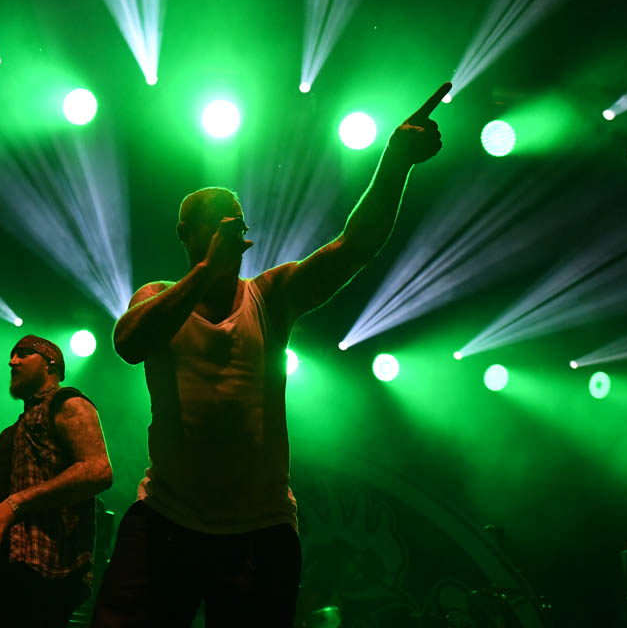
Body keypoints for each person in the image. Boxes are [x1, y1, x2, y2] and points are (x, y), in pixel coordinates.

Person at [91, 83, 451, 627]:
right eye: (219, 223)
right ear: (186, 234)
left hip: (260, 528)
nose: (233, 234)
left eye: (237, 224)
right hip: (166, 517)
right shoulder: (158, 297)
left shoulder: (270, 296)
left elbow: (354, 246)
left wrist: (395, 162)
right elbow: (129, 344)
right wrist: (206, 272)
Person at [0, 334, 113, 628]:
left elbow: (98, 470)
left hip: (37, 577)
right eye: (11, 355)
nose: (12, 361)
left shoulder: (67, 402)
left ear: (51, 364)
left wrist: (15, 503)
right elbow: (6, 512)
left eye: (24, 353)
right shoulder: (14, 430)